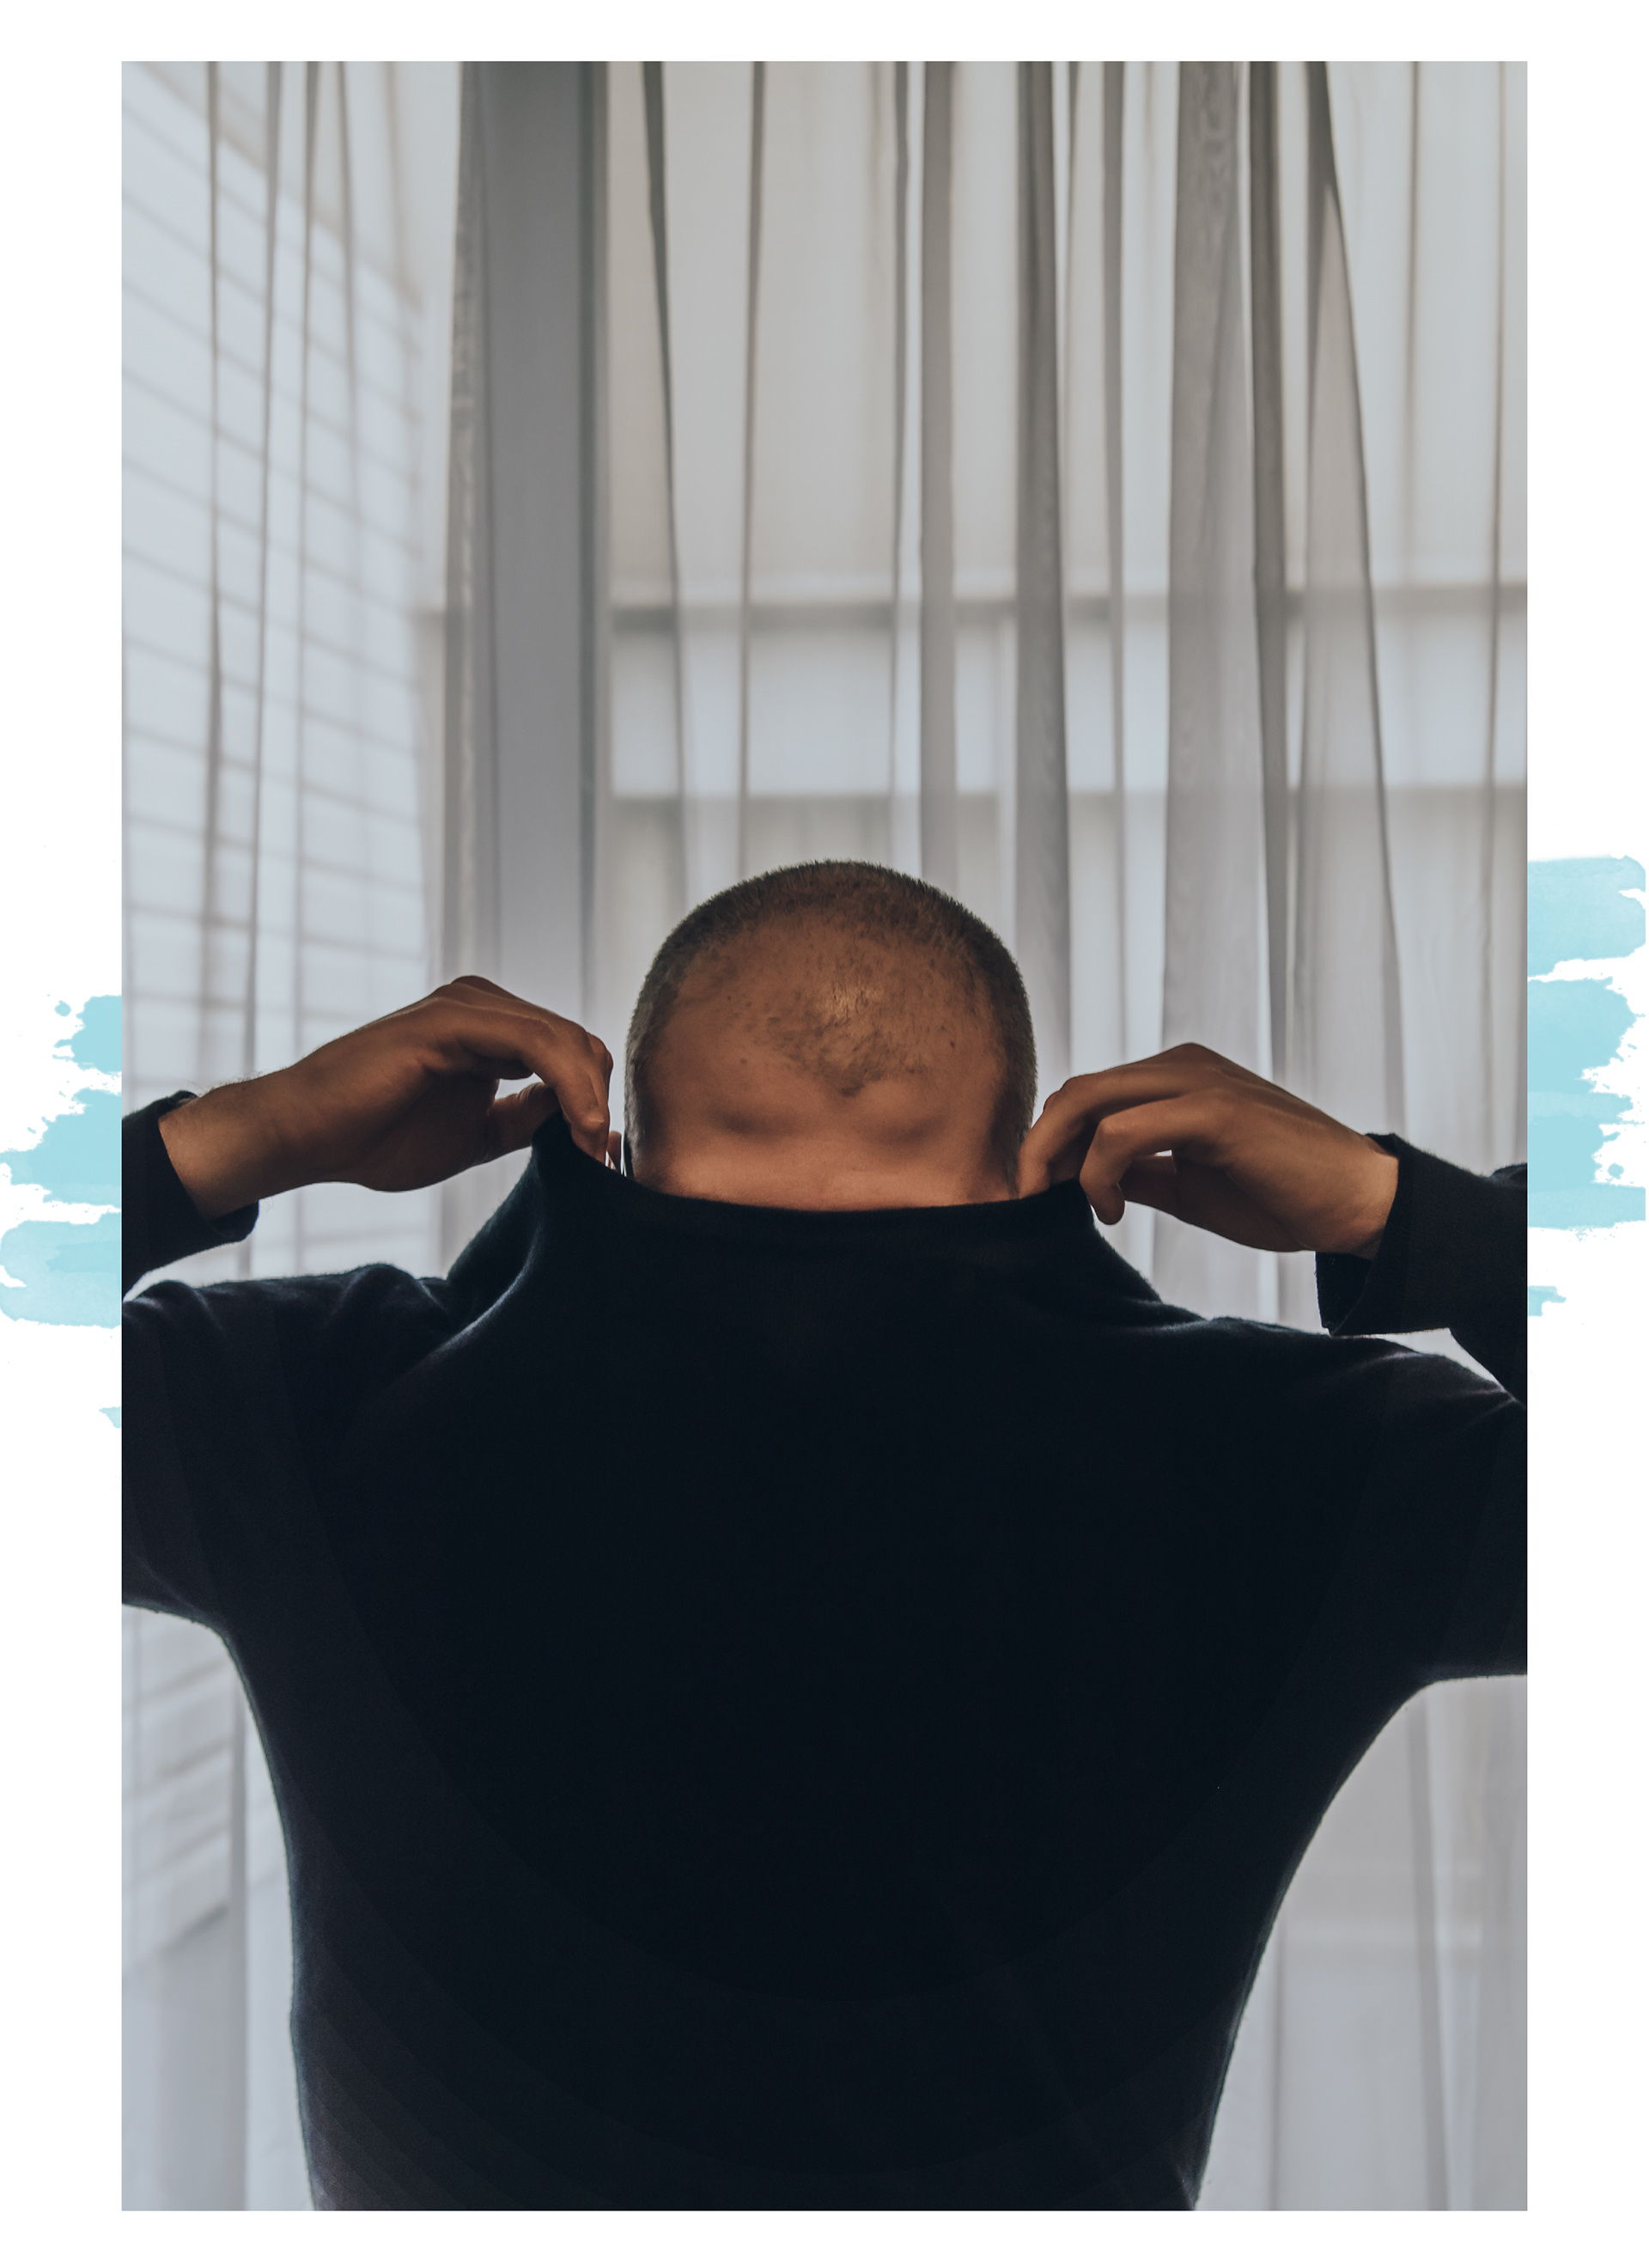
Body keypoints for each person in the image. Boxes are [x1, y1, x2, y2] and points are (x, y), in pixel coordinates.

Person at [123, 860, 1524, 2210]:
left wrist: (232, 1142)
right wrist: (1409, 1214)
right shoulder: (1290, 1454)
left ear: (613, 1147)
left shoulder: (312, 1401)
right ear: (1029, 1169)